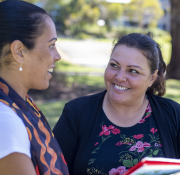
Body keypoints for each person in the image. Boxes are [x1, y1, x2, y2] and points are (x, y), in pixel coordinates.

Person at [53, 32, 180, 175]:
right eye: (114, 65)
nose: (119, 77)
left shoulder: (173, 114)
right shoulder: (76, 112)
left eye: (133, 71)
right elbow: (51, 170)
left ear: (152, 78)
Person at [0, 0, 69, 175]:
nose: (57, 56)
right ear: (19, 51)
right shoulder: (6, 120)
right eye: (51, 46)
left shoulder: (19, 105)